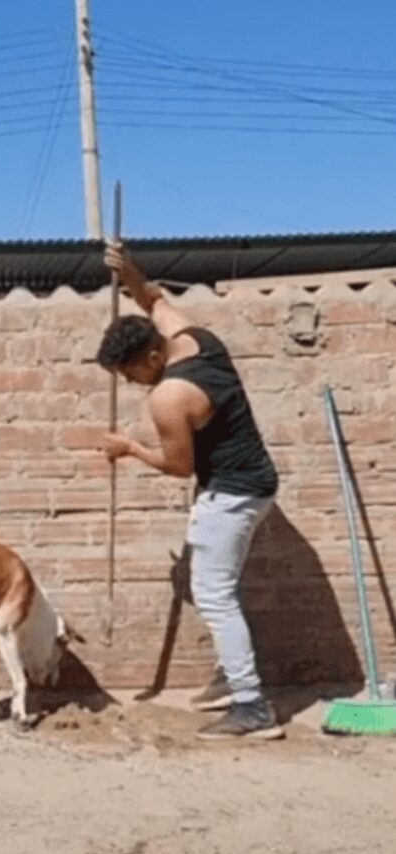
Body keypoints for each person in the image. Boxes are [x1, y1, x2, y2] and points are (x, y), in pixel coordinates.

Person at [97, 241, 282, 740]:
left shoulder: (171, 396)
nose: (132, 382)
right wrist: (128, 270)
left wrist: (128, 449)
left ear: (154, 355)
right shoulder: (194, 336)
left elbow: (179, 468)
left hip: (232, 493)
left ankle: (251, 705)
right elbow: (151, 297)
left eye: (132, 372)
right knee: (222, 585)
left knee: (212, 593)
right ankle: (231, 671)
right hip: (257, 483)